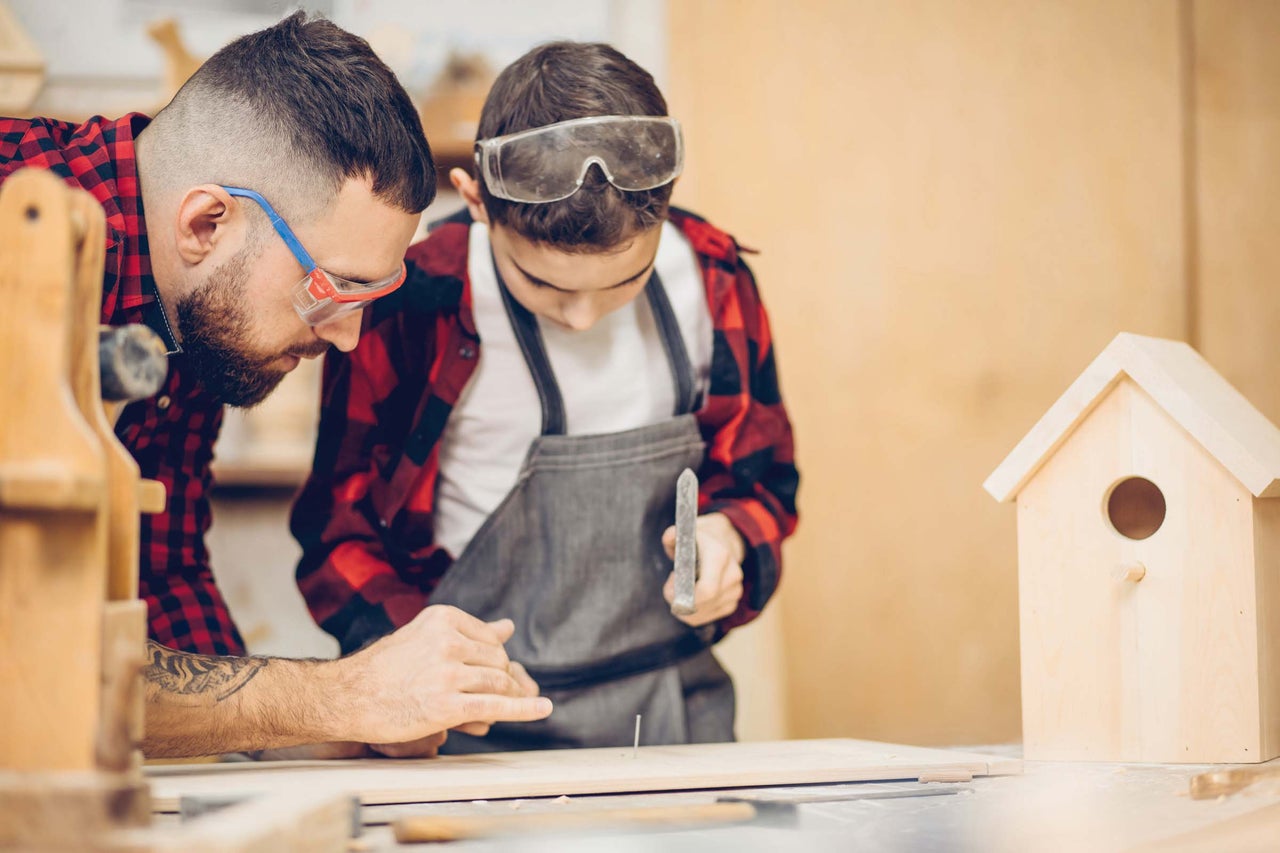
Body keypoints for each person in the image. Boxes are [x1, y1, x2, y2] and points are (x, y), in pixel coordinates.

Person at [0, 12, 550, 759]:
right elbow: (26, 663)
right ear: (206, 222)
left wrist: (315, 736)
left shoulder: (193, 305)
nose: (347, 337)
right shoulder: (18, 233)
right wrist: (339, 695)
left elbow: (161, 581)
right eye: (331, 289)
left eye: (370, 299)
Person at [292, 41, 798, 752]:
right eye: (546, 286)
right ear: (474, 201)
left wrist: (731, 537)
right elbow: (336, 530)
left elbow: (764, 481)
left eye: (623, 282)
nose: (584, 317)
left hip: (669, 712)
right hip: (465, 721)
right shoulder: (415, 299)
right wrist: (403, 664)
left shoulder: (712, 277)